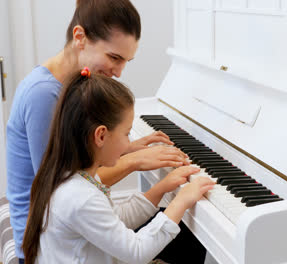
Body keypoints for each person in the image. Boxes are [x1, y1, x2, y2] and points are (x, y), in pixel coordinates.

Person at [5, 0, 189, 261]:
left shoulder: (69, 84)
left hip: (59, 231)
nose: (119, 71)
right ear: (80, 37)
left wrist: (127, 147)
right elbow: (60, 180)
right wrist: (132, 160)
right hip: (38, 244)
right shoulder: (44, 94)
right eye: (114, 57)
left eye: (126, 61)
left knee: (175, 235)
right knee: (179, 241)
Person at [22, 71, 215, 264]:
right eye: (126, 133)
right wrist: (181, 201)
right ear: (101, 136)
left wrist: (160, 189)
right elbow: (137, 252)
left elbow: (115, 219)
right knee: (186, 235)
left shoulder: (73, 175)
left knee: (183, 232)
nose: (129, 142)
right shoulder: (79, 197)